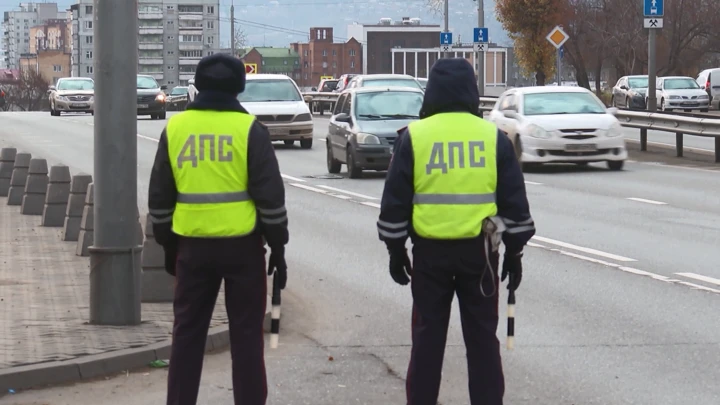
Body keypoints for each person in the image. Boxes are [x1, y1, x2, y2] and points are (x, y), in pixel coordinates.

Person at [376, 58, 536, 405]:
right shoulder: (493, 139)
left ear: (431, 92)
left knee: (427, 343)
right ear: (471, 92)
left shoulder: (414, 138)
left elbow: (395, 203)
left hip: (430, 258)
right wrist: (515, 252)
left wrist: (395, 250)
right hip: (480, 258)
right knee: (482, 344)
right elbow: (514, 205)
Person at [148, 53, 289, 405]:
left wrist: (168, 246)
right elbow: (270, 199)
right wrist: (279, 249)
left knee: (187, 339)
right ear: (239, 87)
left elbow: (160, 199)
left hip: (191, 251)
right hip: (243, 252)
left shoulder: (176, 129)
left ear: (198, 84)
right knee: (246, 343)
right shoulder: (250, 130)